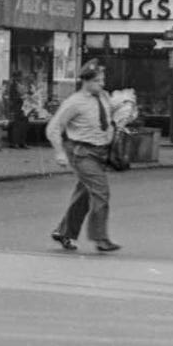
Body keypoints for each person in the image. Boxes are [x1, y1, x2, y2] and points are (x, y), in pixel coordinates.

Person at [47, 65, 119, 253]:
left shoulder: (102, 96)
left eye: (103, 80)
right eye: (97, 81)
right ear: (86, 81)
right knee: (101, 191)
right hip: (81, 152)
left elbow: (109, 114)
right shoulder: (74, 102)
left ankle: (64, 232)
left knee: (85, 194)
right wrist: (59, 152)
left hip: (99, 151)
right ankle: (101, 238)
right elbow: (53, 128)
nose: (102, 84)